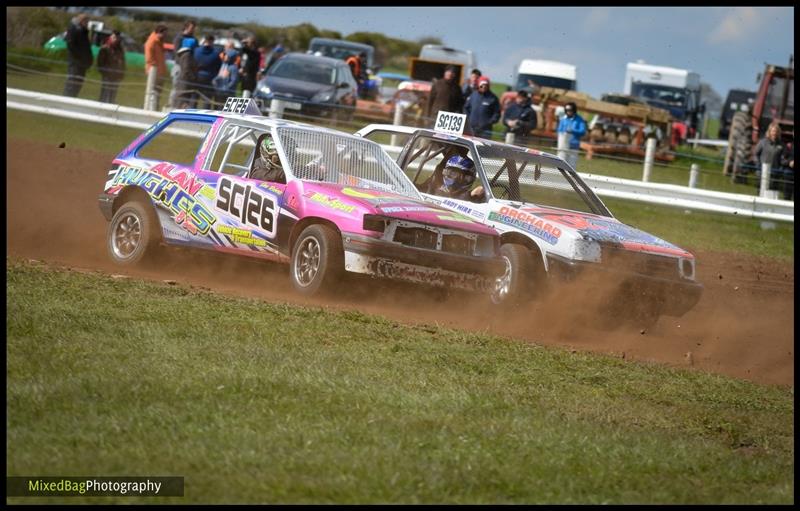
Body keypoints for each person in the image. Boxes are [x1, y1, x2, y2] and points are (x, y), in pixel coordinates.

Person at [755, 123, 794, 199]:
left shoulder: (782, 145)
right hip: (762, 172)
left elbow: (783, 160)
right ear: (769, 132)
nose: (774, 133)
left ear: (779, 133)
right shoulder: (762, 142)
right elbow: (756, 154)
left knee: (772, 195)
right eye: (773, 131)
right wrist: (758, 167)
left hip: (775, 174)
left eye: (776, 131)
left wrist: (789, 163)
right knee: (761, 193)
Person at [62, 13, 93, 98]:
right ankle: (65, 102)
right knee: (72, 84)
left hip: (82, 64)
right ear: (82, 21)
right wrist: (80, 57)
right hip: (75, 63)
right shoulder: (74, 29)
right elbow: (71, 45)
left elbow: (86, 48)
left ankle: (72, 101)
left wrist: (88, 61)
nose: (87, 23)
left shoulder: (84, 31)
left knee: (78, 85)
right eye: (86, 21)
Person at [169, 20, 197, 108]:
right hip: (179, 65)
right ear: (186, 27)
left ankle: (183, 106)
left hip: (188, 67)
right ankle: (171, 104)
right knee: (176, 86)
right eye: (191, 28)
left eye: (194, 28)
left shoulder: (194, 39)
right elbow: (176, 52)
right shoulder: (179, 38)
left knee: (186, 88)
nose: (193, 29)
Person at [144, 24, 169, 110]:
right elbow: (149, 59)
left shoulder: (160, 43)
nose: (166, 36)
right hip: (154, 73)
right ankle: (150, 110)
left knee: (157, 95)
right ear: (159, 32)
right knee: (152, 94)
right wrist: (155, 70)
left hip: (160, 73)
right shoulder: (151, 42)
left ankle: (154, 109)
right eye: (164, 34)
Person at [96, 30, 125, 104]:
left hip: (116, 76)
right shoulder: (105, 48)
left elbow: (122, 62)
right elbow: (100, 62)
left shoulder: (120, 49)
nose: (116, 39)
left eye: (118, 38)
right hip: (107, 76)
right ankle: (100, 110)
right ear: (110, 37)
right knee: (105, 94)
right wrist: (105, 72)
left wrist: (121, 74)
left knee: (113, 95)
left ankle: (109, 112)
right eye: (114, 37)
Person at [556, 101, 587, 169]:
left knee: (571, 165)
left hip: (573, 145)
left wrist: (573, 131)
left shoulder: (579, 119)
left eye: (570, 110)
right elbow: (559, 130)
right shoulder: (563, 119)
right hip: (563, 146)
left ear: (574, 110)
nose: (568, 112)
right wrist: (564, 132)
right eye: (566, 110)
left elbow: (583, 131)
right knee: (560, 163)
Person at [194, 35, 221, 109]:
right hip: (209, 78)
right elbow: (218, 67)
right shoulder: (215, 54)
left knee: (194, 98)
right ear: (212, 42)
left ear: (204, 40)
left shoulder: (196, 51)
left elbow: (192, 63)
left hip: (196, 77)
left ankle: (190, 115)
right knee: (207, 100)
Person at [174, 38, 199, 109]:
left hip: (184, 80)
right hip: (185, 81)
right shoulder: (187, 55)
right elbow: (186, 69)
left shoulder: (185, 54)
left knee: (183, 100)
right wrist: (193, 78)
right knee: (182, 100)